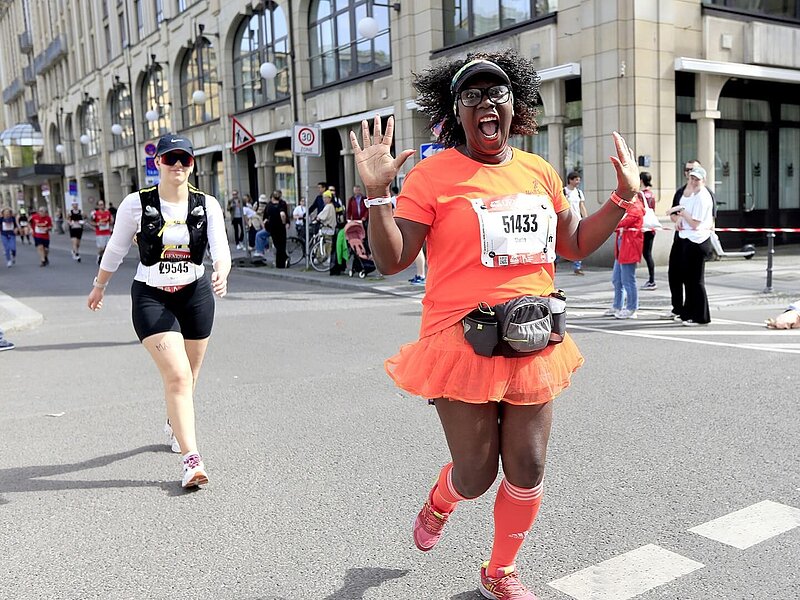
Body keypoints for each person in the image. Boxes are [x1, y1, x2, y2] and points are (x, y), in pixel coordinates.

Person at [349, 51, 640, 599]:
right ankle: (442, 500)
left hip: (532, 335)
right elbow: (392, 260)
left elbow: (574, 242)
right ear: (456, 112)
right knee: (477, 475)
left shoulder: (539, 171)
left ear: (515, 106)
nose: (486, 102)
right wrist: (378, 195)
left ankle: (499, 570)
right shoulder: (432, 176)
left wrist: (622, 198)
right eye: (472, 95)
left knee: (527, 466)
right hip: (460, 341)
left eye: (497, 92)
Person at [86, 133, 231, 488]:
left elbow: (221, 249)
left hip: (196, 293)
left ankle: (173, 422)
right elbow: (116, 249)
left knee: (190, 375)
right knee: (178, 376)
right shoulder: (135, 204)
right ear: (158, 163)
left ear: (192, 164)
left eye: (185, 159)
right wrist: (100, 285)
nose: (177, 165)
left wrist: (221, 271)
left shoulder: (207, 204)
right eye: (170, 159)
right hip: (152, 296)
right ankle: (192, 461)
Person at [664, 165, 713, 326]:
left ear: (703, 180)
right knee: (688, 280)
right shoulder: (693, 194)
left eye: (696, 179)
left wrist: (683, 214)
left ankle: (701, 316)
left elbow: (695, 223)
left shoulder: (702, 197)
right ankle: (689, 313)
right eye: (692, 178)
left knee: (696, 281)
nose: (693, 181)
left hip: (697, 241)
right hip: (689, 239)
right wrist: (678, 215)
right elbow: (682, 211)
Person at [603, 193, 645, 319]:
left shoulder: (636, 207)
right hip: (622, 245)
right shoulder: (628, 207)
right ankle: (617, 305)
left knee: (628, 279)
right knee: (617, 279)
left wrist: (610, 222)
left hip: (630, 246)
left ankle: (632, 308)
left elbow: (622, 222)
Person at [562, 171, 587, 275]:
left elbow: (581, 206)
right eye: (576, 180)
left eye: (579, 180)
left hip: (577, 220)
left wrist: (585, 217)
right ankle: (556, 261)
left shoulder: (579, 192)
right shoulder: (564, 191)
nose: (578, 182)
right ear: (570, 180)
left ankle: (577, 266)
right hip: (566, 221)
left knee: (577, 243)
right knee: (563, 241)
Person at [639, 171, 657, 290]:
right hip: (651, 226)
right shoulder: (652, 194)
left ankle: (652, 280)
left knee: (646, 253)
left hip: (644, 226)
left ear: (641, 181)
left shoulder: (641, 195)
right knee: (648, 253)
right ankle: (652, 279)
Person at [265, 190, 289, 268]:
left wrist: (265, 225)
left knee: (277, 244)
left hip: (272, 226)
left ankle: (280, 262)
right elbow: (283, 214)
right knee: (282, 244)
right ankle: (282, 262)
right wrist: (284, 222)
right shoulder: (282, 204)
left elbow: (265, 217)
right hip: (280, 227)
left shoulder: (269, 205)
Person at [90, 199, 114, 265]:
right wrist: (98, 224)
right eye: (100, 205)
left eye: (102, 204)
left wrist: (110, 222)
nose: (101, 206)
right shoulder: (95, 213)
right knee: (102, 248)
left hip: (107, 232)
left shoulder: (107, 212)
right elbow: (91, 222)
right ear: (98, 206)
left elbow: (111, 221)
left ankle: (104, 260)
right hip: (100, 233)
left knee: (107, 248)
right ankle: (99, 256)